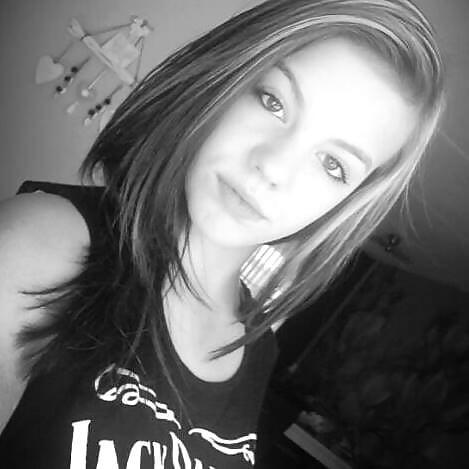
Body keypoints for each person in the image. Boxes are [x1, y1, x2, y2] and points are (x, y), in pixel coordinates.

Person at [0, 0, 445, 467]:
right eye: (273, 101)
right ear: (222, 79)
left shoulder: (258, 348)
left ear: (345, 203)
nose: (273, 167)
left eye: (333, 164)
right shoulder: (42, 244)